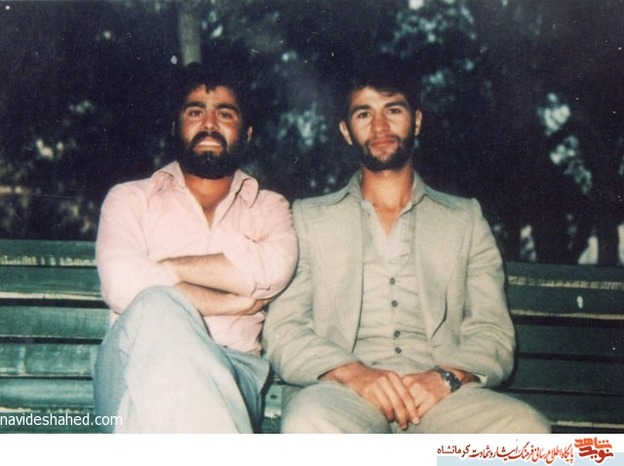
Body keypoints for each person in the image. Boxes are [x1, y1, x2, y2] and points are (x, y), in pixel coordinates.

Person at [262, 58, 551, 433]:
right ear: (346, 131)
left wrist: (444, 378)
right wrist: (354, 374)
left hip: (441, 398)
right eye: (364, 114)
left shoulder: (464, 219)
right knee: (310, 423)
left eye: (393, 110)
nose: (380, 126)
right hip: (342, 395)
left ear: (416, 121)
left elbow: (492, 331)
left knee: (527, 432)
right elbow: (284, 330)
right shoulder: (309, 218)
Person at [93, 62, 298, 433]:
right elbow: (122, 286)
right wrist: (234, 301)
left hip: (234, 371)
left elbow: (270, 271)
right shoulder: (129, 199)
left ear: (247, 132)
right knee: (156, 306)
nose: (209, 124)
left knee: (157, 300)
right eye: (195, 112)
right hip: (130, 364)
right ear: (176, 127)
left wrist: (167, 269)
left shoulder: (269, 207)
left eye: (225, 113)